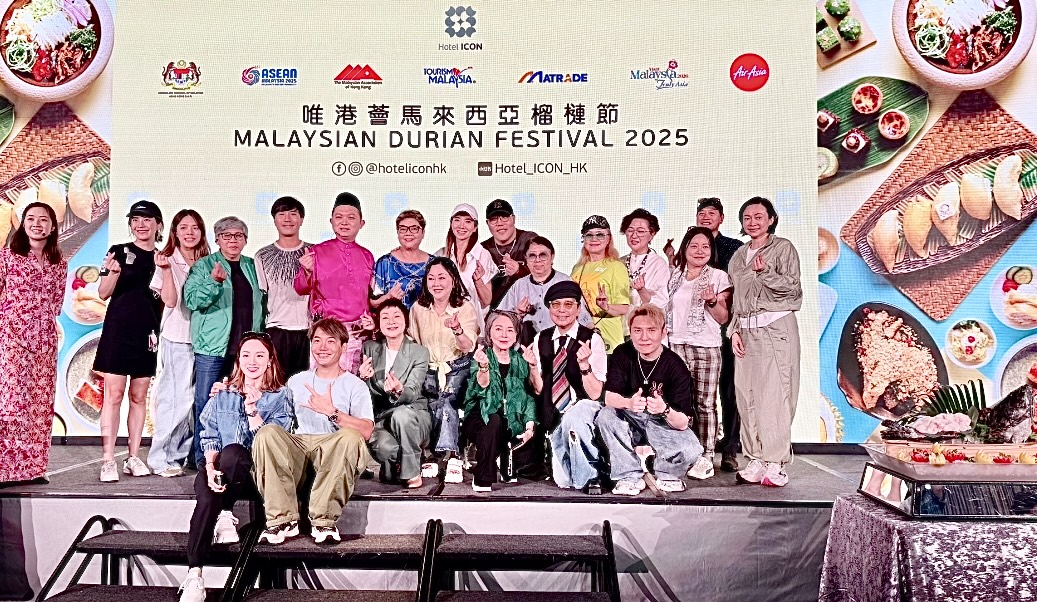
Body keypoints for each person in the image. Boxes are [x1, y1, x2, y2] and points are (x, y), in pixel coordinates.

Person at [178, 333, 294, 602]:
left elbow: (275, 444)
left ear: (269, 360)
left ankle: (225, 510)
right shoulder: (223, 394)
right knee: (207, 491)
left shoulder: (281, 396)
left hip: (255, 477)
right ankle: (195, 574)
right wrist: (209, 467)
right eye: (246, 355)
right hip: (222, 472)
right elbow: (209, 434)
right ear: (238, 360)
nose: (252, 362)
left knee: (234, 452)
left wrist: (253, 411)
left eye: (259, 355)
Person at [251, 318, 373, 545]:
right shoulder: (296, 381)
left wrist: (332, 412)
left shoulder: (355, 384)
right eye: (317, 341)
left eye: (330, 341)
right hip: (298, 447)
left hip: (332, 448)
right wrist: (232, 390)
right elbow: (275, 414)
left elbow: (366, 431)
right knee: (268, 433)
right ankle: (283, 521)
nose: (322, 347)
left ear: (343, 347)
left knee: (351, 436)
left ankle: (323, 521)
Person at [728, 197, 802, 488]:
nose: (753, 222)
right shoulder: (739, 255)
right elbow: (736, 299)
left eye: (759, 216)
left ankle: (776, 462)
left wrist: (765, 273)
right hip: (746, 332)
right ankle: (756, 458)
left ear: (771, 219)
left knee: (775, 396)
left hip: (775, 328)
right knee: (746, 396)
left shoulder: (783, 248)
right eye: (747, 217)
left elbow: (793, 289)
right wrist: (734, 330)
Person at [184, 216, 266, 469]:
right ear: (217, 239)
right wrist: (214, 282)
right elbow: (192, 300)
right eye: (227, 235)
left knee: (242, 402)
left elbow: (263, 302)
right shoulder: (204, 265)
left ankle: (236, 457)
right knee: (206, 403)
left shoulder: (252, 266)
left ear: (245, 240)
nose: (233, 240)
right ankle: (202, 460)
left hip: (245, 352)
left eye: (238, 235)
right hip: (213, 348)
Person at [597, 305, 702, 496]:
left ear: (663, 332)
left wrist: (664, 409)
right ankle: (629, 476)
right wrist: (629, 403)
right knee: (606, 415)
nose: (644, 337)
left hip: (662, 424)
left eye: (651, 330)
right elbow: (609, 398)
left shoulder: (676, 366)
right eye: (638, 330)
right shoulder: (622, 353)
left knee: (692, 449)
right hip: (630, 419)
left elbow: (682, 423)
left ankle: (666, 472)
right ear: (630, 332)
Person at [94, 200, 165, 482]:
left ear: (158, 224)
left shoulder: (163, 258)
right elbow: (103, 293)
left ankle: (133, 456)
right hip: (117, 331)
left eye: (147, 219)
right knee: (113, 395)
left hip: (147, 334)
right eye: (135, 219)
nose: (140, 225)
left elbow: (164, 301)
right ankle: (108, 460)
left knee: (139, 396)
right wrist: (113, 273)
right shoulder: (118, 251)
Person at [0, 202, 67, 484]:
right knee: (12, 405)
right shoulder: (7, 257)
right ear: (22, 223)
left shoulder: (59, 263)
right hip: (12, 341)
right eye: (31, 219)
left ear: (52, 226)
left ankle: (34, 469)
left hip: (45, 344)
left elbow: (56, 303)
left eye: (43, 219)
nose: (37, 224)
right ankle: (6, 469)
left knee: (39, 406)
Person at [148, 209, 211, 477]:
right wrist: (165, 270)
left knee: (192, 402)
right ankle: (159, 458)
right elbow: (171, 301)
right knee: (174, 400)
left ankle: (178, 455)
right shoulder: (166, 260)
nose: (189, 232)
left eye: (195, 227)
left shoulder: (208, 261)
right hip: (178, 337)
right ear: (174, 232)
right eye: (183, 227)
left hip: (205, 340)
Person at [666, 227, 731, 480]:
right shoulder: (675, 275)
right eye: (694, 246)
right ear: (685, 249)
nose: (700, 251)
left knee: (705, 404)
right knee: (680, 403)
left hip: (706, 347)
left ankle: (706, 455)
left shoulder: (718, 276)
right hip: (675, 346)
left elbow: (723, 317)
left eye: (705, 246)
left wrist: (712, 301)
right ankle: (685, 452)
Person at [532, 282, 607, 494]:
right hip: (554, 412)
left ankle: (592, 475)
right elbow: (538, 389)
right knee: (564, 481)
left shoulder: (592, 339)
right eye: (556, 305)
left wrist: (584, 366)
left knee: (574, 417)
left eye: (568, 304)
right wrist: (532, 368)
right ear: (549, 309)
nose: (561, 310)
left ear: (578, 309)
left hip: (585, 406)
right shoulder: (541, 339)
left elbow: (595, 394)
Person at [408, 257, 478, 483]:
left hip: (457, 367)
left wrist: (457, 329)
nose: (436, 283)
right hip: (427, 367)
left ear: (453, 280)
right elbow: (412, 341)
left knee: (447, 401)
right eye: (431, 278)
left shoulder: (464, 307)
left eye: (442, 278)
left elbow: (468, 346)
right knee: (427, 402)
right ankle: (430, 454)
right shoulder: (418, 308)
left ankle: (451, 455)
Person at [295, 192, 375, 373]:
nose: (344, 222)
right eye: (339, 217)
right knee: (324, 381)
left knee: (354, 382)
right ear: (331, 221)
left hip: (358, 334)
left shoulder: (367, 256)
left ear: (361, 223)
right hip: (327, 331)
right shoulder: (316, 251)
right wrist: (307, 271)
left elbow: (369, 296)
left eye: (351, 218)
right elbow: (300, 288)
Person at [463, 311, 540, 492]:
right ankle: (483, 477)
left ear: (516, 335)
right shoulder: (481, 356)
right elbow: (482, 386)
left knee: (524, 452)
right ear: (489, 333)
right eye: (498, 329)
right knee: (494, 420)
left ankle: (505, 455)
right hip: (480, 416)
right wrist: (483, 367)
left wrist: (529, 426)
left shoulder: (520, 360)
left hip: (510, 419)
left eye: (510, 330)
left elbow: (532, 393)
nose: (504, 335)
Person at [359, 300, 432, 487]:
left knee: (401, 414)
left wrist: (400, 389)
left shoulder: (419, 352)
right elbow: (366, 398)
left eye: (396, 316)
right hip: (383, 417)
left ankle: (412, 473)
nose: (391, 322)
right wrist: (364, 379)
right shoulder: (369, 348)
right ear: (379, 323)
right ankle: (398, 465)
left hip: (414, 416)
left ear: (405, 321)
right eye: (385, 318)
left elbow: (413, 391)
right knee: (385, 448)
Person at [696, 197, 744, 472]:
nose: (705, 217)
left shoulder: (734, 247)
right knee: (696, 392)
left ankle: (730, 448)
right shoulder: (688, 245)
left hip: (726, 326)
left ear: (721, 218)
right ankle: (698, 446)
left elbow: (739, 286)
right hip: (696, 331)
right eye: (701, 213)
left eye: (711, 213)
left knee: (728, 388)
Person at [497, 236, 592, 346]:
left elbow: (584, 317)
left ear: (552, 257)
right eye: (532, 256)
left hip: (561, 347)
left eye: (543, 255)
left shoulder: (565, 282)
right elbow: (499, 319)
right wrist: (517, 313)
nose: (537, 260)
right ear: (526, 259)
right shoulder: (519, 285)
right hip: (527, 348)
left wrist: (593, 337)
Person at [255, 196, 312, 378]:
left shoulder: (314, 252)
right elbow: (262, 296)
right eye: (282, 214)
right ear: (274, 220)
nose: (287, 219)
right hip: (276, 329)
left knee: (305, 385)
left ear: (301, 219)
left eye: (293, 214)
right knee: (276, 384)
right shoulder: (262, 255)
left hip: (308, 329)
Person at [571, 215, 630, 354]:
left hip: (608, 334)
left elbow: (624, 308)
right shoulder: (577, 268)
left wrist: (606, 307)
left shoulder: (616, 266)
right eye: (589, 235)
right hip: (580, 332)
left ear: (609, 238)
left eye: (600, 235)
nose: (594, 239)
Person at [436, 203, 494, 326]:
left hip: (472, 324)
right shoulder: (440, 255)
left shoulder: (482, 255)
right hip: (443, 322)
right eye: (457, 220)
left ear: (475, 227)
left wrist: (478, 281)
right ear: (451, 224)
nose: (461, 225)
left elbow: (486, 300)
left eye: (468, 221)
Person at [480, 199, 539, 308]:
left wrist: (519, 271)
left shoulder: (530, 240)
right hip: (495, 311)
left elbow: (545, 274)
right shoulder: (483, 249)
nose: (500, 223)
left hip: (530, 306)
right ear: (487, 223)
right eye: (493, 219)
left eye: (504, 217)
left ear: (513, 219)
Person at [372, 209, 432, 309]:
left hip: (428, 319)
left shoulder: (434, 263)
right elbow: (372, 302)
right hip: (393, 319)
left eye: (414, 229)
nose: (408, 233)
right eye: (403, 229)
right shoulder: (384, 263)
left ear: (423, 232)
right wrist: (388, 297)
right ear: (398, 233)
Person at [620, 209, 669, 314]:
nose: (634, 235)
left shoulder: (658, 264)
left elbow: (661, 303)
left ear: (651, 234)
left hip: (645, 319)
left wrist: (642, 290)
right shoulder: (619, 262)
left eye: (641, 231)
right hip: (619, 321)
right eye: (630, 230)